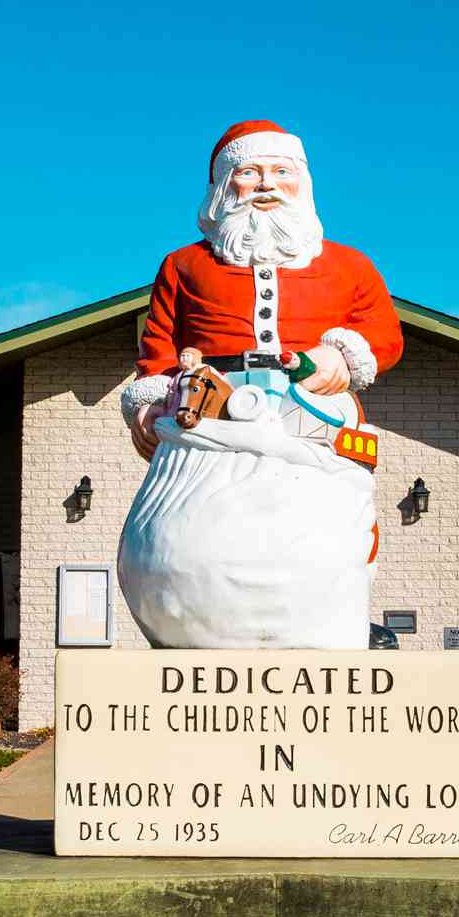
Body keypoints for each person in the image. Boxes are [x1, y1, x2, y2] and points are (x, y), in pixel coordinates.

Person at [116, 120, 403, 649]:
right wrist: (149, 402)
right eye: (249, 171)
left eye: (280, 171)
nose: (267, 183)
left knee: (323, 529)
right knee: (180, 535)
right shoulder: (183, 266)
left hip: (312, 415)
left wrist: (340, 356)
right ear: (223, 187)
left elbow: (382, 334)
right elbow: (158, 349)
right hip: (210, 412)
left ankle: (325, 626)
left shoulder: (350, 266)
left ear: (302, 182)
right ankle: (188, 625)